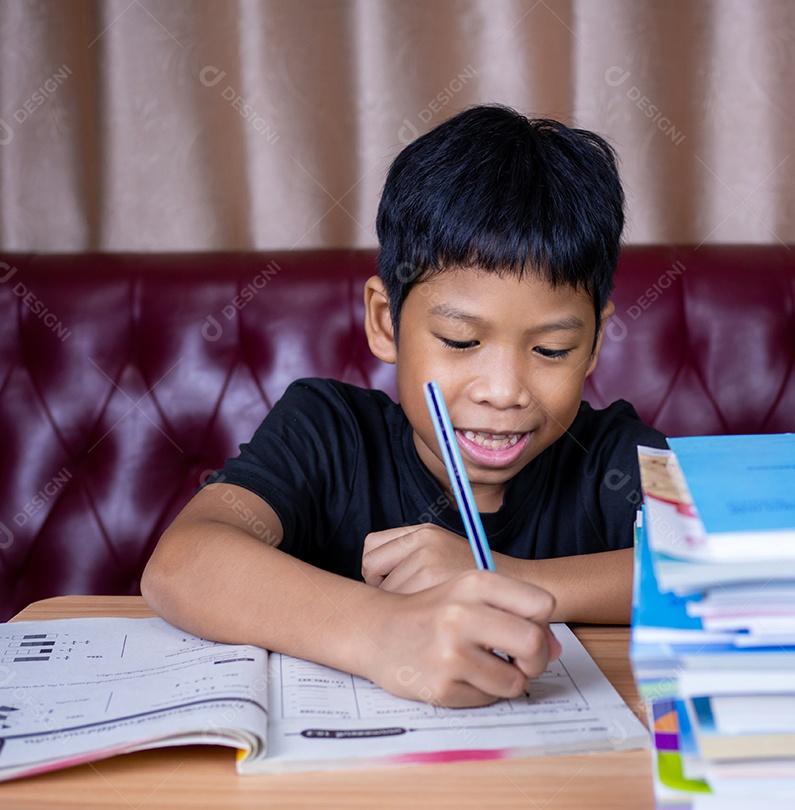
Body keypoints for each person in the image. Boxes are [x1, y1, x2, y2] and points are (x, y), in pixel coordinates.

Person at [141, 104, 666, 708]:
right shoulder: (329, 431)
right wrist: (383, 633)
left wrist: (498, 574)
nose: (503, 389)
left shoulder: (612, 455)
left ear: (595, 343)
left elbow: (725, 570)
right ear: (386, 322)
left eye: (551, 349)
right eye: (461, 342)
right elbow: (182, 564)